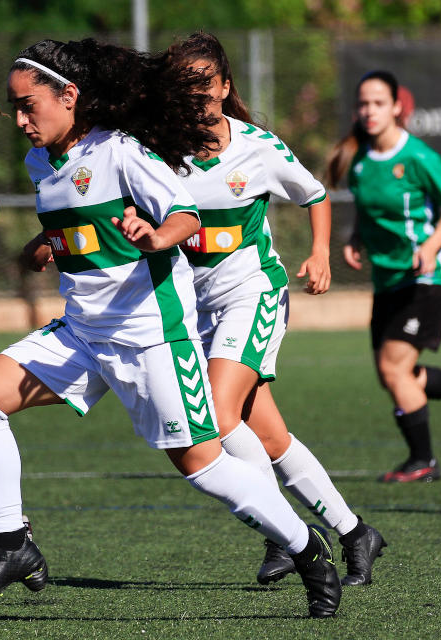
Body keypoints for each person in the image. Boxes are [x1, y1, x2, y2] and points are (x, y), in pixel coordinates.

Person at [0, 38, 341, 618]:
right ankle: (13, 543)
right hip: (82, 332)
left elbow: (183, 213)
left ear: (70, 96)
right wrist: (45, 245)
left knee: (203, 467)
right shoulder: (41, 162)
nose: (21, 119)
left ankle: (310, 551)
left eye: (30, 104)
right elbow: (81, 226)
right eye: (15, 107)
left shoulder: (120, 150)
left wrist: (158, 235)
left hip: (151, 334)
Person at [162, 32, 386, 587]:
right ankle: (355, 531)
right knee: (270, 438)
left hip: (254, 294)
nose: (196, 96)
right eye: (185, 86)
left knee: (214, 417)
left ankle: (280, 536)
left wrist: (318, 253)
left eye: (205, 85)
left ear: (225, 87)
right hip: (198, 312)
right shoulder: (163, 153)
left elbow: (314, 194)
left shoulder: (257, 146)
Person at [326, 70, 441, 483]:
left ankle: (423, 461)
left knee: (395, 370)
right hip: (388, 279)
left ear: (396, 108)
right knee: (394, 376)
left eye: (377, 103)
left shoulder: (419, 157)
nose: (368, 111)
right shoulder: (358, 161)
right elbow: (369, 210)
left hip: (428, 277)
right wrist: (355, 237)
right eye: (362, 103)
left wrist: (430, 246)